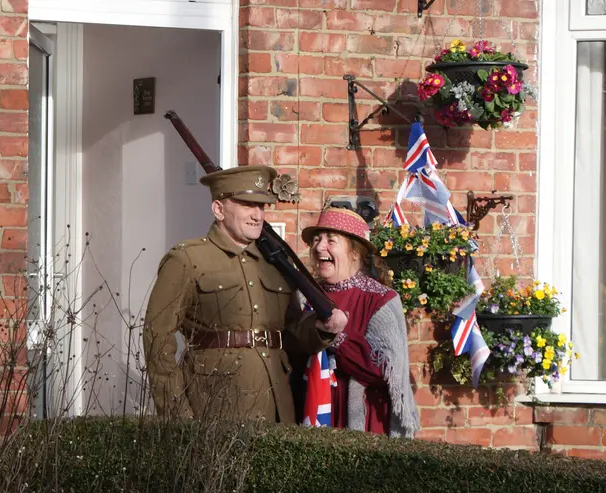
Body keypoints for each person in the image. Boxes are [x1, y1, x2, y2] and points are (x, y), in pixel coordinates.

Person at [142, 165, 348, 422]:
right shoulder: (187, 259)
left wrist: (321, 329)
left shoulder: (275, 263)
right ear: (218, 209)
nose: (257, 215)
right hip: (212, 406)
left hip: (276, 407)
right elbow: (157, 336)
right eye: (247, 205)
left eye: (261, 206)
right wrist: (177, 416)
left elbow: (291, 334)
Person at [300, 206, 419, 437]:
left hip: (363, 421)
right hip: (309, 409)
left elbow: (384, 371)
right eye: (317, 239)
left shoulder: (379, 299)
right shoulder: (304, 296)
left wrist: (337, 336)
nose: (319, 247)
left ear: (355, 252)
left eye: (331, 240)